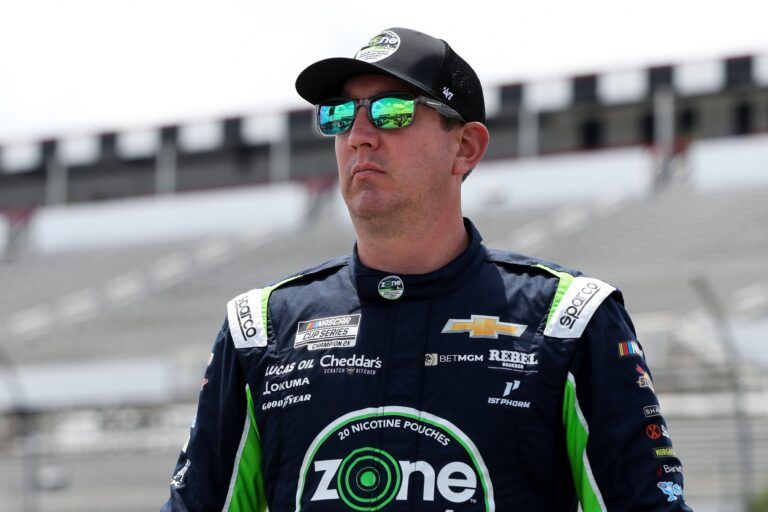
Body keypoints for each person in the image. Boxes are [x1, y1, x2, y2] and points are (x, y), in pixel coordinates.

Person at [162, 27, 692, 511]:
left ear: (465, 147)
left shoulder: (568, 320)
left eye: (391, 111)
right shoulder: (261, 329)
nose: (359, 135)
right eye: (339, 116)